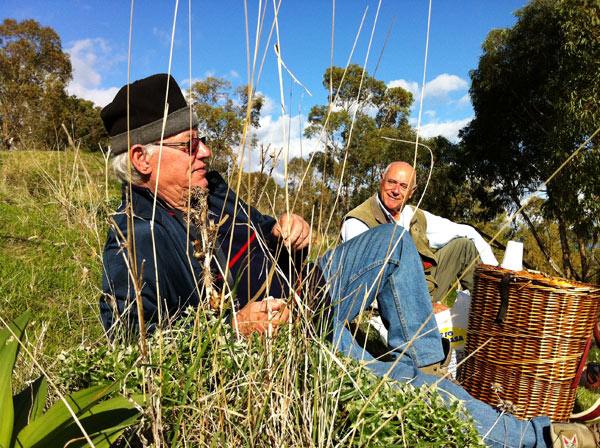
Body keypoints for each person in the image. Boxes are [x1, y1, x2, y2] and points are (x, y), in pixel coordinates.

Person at [99, 73, 595, 448]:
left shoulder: (214, 192)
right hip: (287, 335)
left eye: (202, 139)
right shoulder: (134, 237)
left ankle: (424, 367)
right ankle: (540, 438)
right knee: (406, 387)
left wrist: (289, 227)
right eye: (189, 146)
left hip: (311, 285)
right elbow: (130, 346)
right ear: (142, 158)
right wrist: (233, 328)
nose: (206, 151)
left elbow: (268, 231)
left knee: (391, 242)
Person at [342, 161, 498, 306]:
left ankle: (490, 312)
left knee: (464, 246)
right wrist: (423, 309)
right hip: (391, 303)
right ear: (381, 180)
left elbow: (467, 231)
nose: (396, 191)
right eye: (391, 182)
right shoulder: (358, 222)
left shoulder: (412, 215)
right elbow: (361, 285)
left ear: (412, 191)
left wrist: (498, 274)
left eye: (404, 186)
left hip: (422, 288)